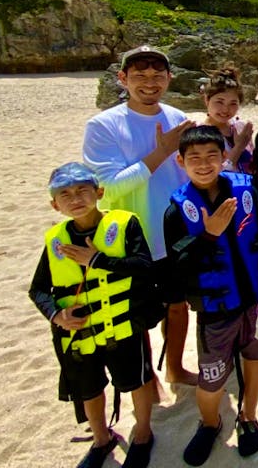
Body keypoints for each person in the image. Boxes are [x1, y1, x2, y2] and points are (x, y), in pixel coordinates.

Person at [163, 126, 258, 466]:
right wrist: (208, 235)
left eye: (211, 156)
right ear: (181, 161)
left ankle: (248, 415)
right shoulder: (177, 210)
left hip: (257, 298)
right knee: (212, 378)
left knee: (257, 357)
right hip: (215, 308)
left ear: (224, 157)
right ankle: (209, 423)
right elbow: (177, 267)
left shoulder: (246, 191)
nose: (204, 164)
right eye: (194, 158)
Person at [29, 163, 158, 468]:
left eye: (82, 190)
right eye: (65, 194)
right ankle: (101, 439)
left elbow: (144, 267)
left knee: (136, 382)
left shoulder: (124, 224)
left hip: (122, 327)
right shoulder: (55, 239)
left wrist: (98, 259)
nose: (75, 199)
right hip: (79, 335)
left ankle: (143, 434)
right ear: (55, 205)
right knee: (88, 389)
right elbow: (38, 290)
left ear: (99, 192)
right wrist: (57, 315)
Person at [82, 44, 196, 385]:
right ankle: (147, 379)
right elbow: (108, 187)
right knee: (136, 314)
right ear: (123, 78)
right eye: (140, 75)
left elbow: (190, 174)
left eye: (157, 75)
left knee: (178, 306)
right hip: (132, 239)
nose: (150, 82)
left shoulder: (176, 118)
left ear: (169, 78)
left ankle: (174, 367)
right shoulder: (103, 125)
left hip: (175, 234)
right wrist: (161, 152)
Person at [201, 67, 253, 173]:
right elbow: (212, 175)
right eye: (219, 102)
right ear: (207, 100)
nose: (225, 110)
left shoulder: (241, 127)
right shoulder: (199, 134)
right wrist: (238, 147)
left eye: (233, 103)